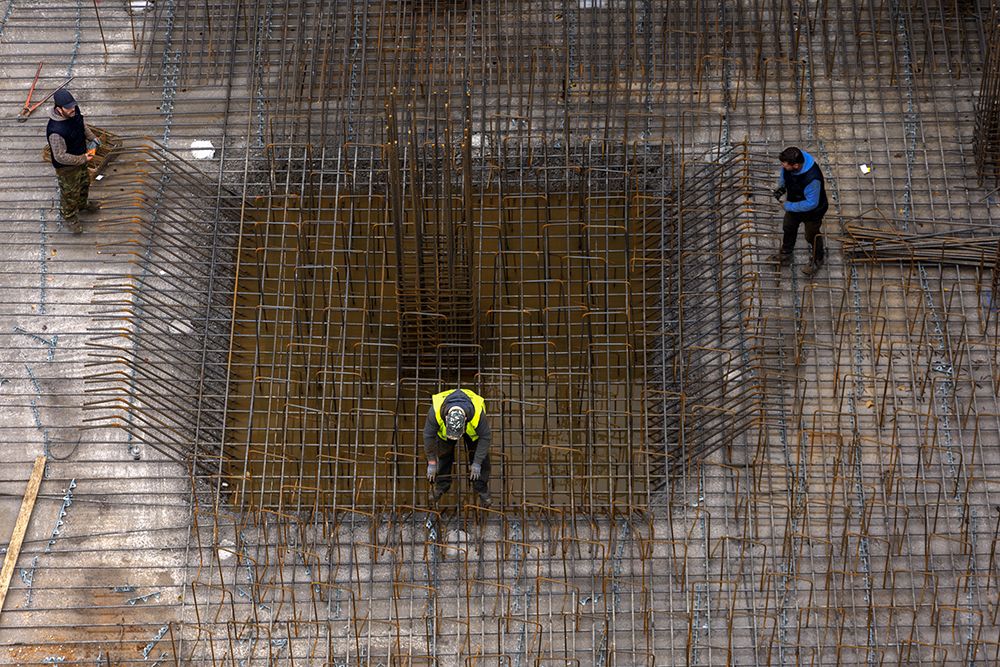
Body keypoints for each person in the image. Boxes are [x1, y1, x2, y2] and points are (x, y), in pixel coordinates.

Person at [423, 387, 492, 507]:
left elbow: (485, 437)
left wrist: (477, 463)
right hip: (445, 434)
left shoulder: (477, 414)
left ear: (465, 419)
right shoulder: (435, 411)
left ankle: (481, 488)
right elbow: (428, 436)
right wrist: (432, 462)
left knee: (482, 458)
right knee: (443, 455)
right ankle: (442, 485)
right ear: (446, 418)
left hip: (473, 432)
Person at [46, 89, 101, 233]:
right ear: (59, 109)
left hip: (80, 159)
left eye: (73, 106)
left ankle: (82, 205)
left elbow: (81, 125)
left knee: (84, 184)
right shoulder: (56, 131)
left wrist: (92, 137)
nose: (72, 110)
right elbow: (60, 156)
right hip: (67, 169)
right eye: (68, 108)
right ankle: (69, 216)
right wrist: (82, 158)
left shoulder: (74, 111)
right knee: (70, 193)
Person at [768, 146, 829, 277]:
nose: (783, 167)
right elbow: (784, 174)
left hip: (813, 211)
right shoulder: (791, 164)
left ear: (795, 165)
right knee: (788, 227)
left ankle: (818, 258)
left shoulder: (812, 179)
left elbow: (811, 204)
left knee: (811, 235)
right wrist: (782, 186)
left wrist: (789, 206)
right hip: (795, 202)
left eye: (785, 165)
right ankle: (786, 253)